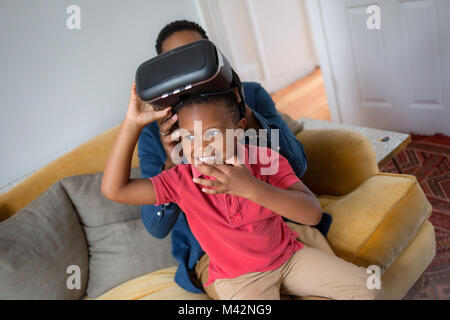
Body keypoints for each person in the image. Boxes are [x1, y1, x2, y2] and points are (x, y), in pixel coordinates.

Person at [101, 81, 382, 300]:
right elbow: (115, 189)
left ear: (239, 129)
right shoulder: (180, 179)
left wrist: (251, 188)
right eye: (188, 137)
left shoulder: (264, 159)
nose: (200, 147)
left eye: (211, 133)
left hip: (289, 257)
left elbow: (311, 214)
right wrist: (131, 125)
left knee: (370, 287)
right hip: (239, 279)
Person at [137, 20, 332, 298]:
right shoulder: (151, 133)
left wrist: (241, 110)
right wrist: (173, 161)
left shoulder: (250, 94)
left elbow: (297, 167)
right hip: (217, 256)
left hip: (278, 228)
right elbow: (155, 227)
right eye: (177, 65)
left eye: (193, 58)